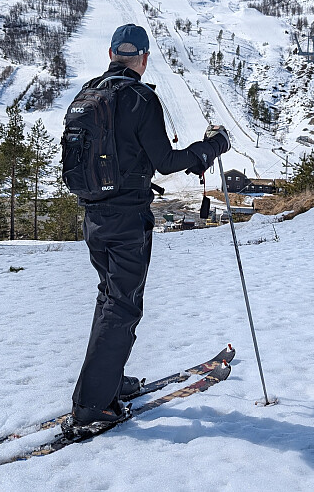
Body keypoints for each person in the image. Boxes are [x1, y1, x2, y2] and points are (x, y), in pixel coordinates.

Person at [66, 23, 230, 429]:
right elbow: (166, 162)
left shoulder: (89, 93)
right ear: (142, 58)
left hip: (94, 217)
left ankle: (109, 379)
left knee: (110, 299)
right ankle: (92, 406)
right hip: (127, 220)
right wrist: (213, 146)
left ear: (111, 55)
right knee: (122, 306)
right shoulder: (140, 98)